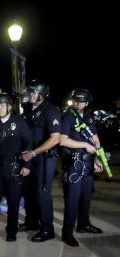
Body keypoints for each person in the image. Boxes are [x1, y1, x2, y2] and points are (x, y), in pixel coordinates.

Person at [59, 88, 104, 247]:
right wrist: (85, 145)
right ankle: (67, 233)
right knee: (72, 200)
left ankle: (84, 225)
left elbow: (95, 139)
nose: (78, 103)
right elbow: (62, 141)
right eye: (76, 100)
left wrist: (98, 157)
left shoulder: (89, 116)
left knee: (85, 198)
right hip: (73, 164)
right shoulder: (68, 116)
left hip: (88, 163)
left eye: (81, 101)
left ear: (87, 102)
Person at [0, 93, 32, 242]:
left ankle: (11, 231)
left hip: (14, 166)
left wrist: (27, 165)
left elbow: (28, 143)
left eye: (1, 105)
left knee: (14, 201)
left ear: (9, 107)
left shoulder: (19, 122)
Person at [19, 79, 61, 242]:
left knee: (42, 192)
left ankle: (47, 228)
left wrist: (34, 153)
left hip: (43, 157)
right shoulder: (28, 108)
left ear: (42, 95)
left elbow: (55, 138)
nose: (30, 94)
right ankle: (31, 223)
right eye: (29, 91)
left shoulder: (50, 110)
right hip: (30, 154)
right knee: (29, 190)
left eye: (33, 92)